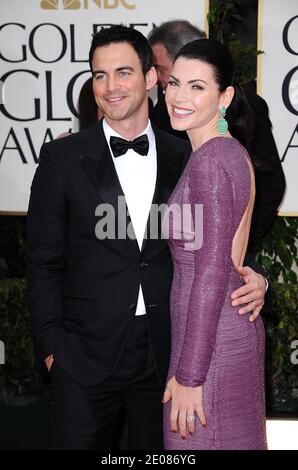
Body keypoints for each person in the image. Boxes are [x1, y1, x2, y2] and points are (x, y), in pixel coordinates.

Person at [26, 25, 266, 450]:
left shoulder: (186, 153)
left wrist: (252, 277)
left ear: (150, 78)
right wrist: (52, 349)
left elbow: (218, 241)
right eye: (100, 75)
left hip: (165, 351)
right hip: (84, 354)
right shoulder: (62, 157)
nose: (111, 86)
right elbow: (43, 258)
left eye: (123, 72)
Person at [162, 38, 267, 450]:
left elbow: (210, 270)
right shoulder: (230, 153)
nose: (179, 96)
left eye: (196, 86)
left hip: (208, 348)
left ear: (224, 97)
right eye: (174, 83)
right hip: (222, 334)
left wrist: (190, 377)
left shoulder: (210, 162)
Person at [148, 20, 286, 257]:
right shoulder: (161, 113)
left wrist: (237, 244)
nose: (158, 79)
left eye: (161, 68)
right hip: (175, 256)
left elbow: (270, 182)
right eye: (173, 82)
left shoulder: (250, 108)